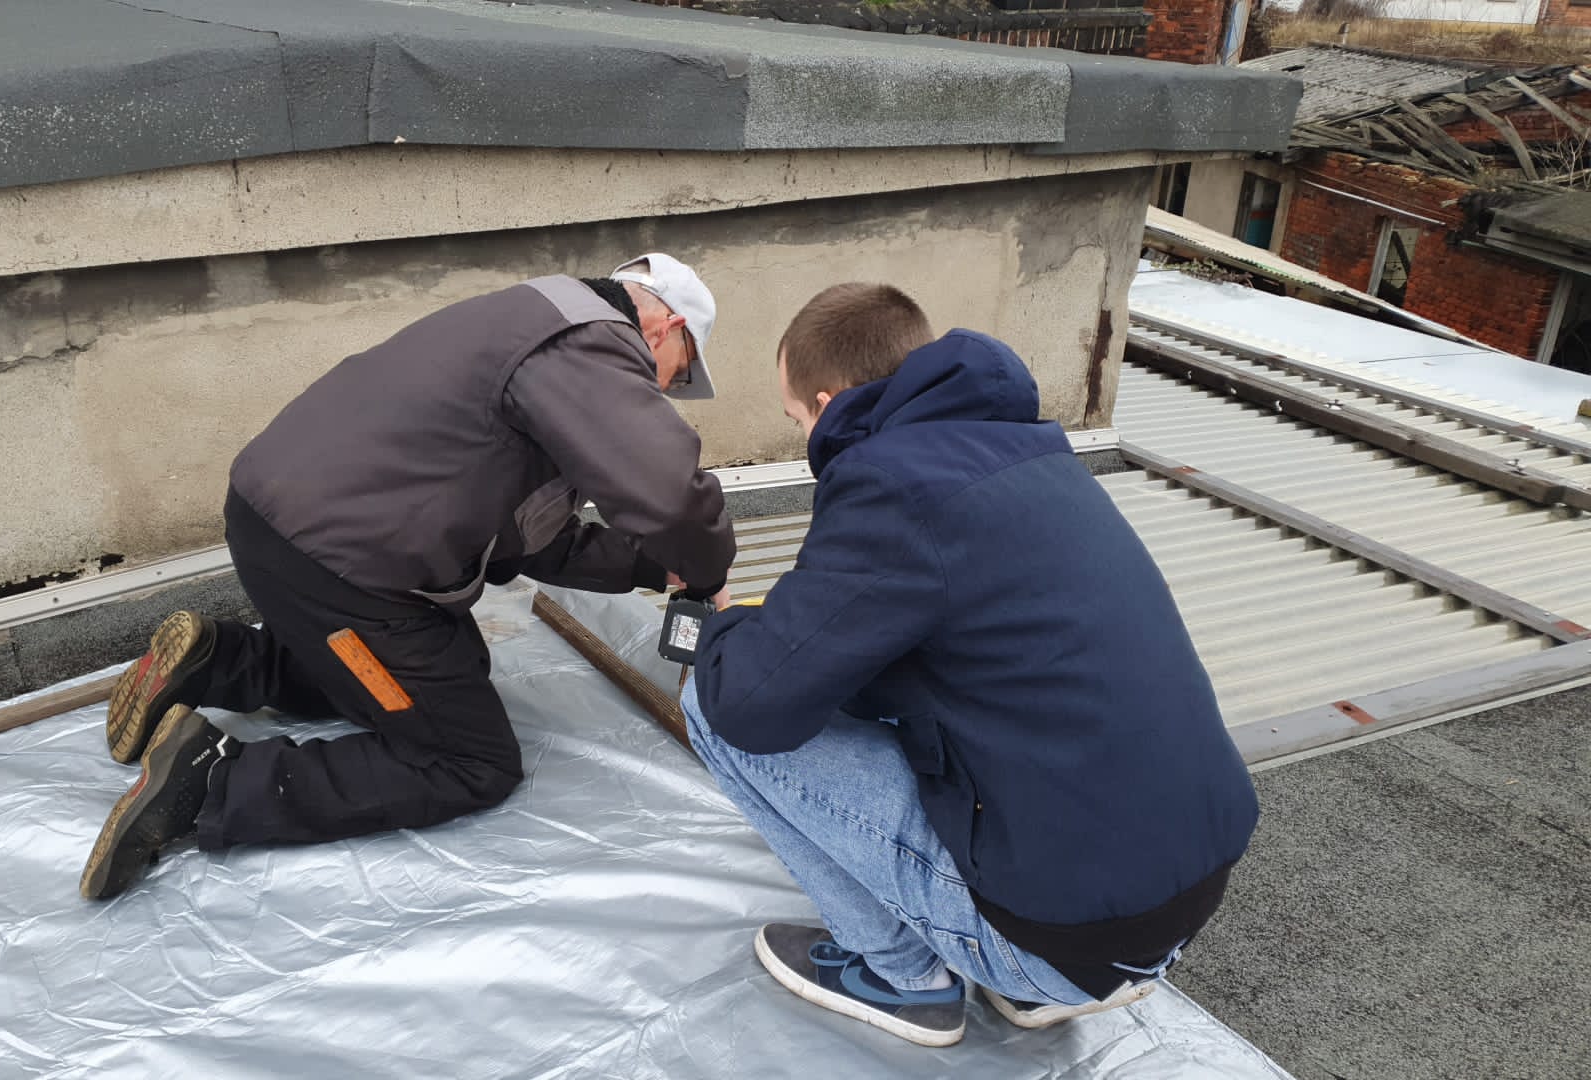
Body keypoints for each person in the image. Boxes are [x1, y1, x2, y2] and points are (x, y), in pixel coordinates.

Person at [681, 284, 1258, 1047]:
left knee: (709, 704)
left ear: (824, 404)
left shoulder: (893, 485)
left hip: (1063, 935)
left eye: (797, 420)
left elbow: (751, 703)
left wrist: (715, 623)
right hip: (1175, 901)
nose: (803, 438)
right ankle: (1035, 976)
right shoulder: (1030, 452)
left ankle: (902, 977)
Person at [81, 256, 736, 901]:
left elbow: (527, 538)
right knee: (468, 757)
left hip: (282, 529)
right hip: (340, 567)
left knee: (444, 672)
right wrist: (708, 576)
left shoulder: (533, 325)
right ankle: (210, 781)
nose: (663, 394)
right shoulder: (593, 344)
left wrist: (655, 565)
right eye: (677, 375)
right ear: (666, 327)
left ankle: (219, 663)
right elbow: (670, 495)